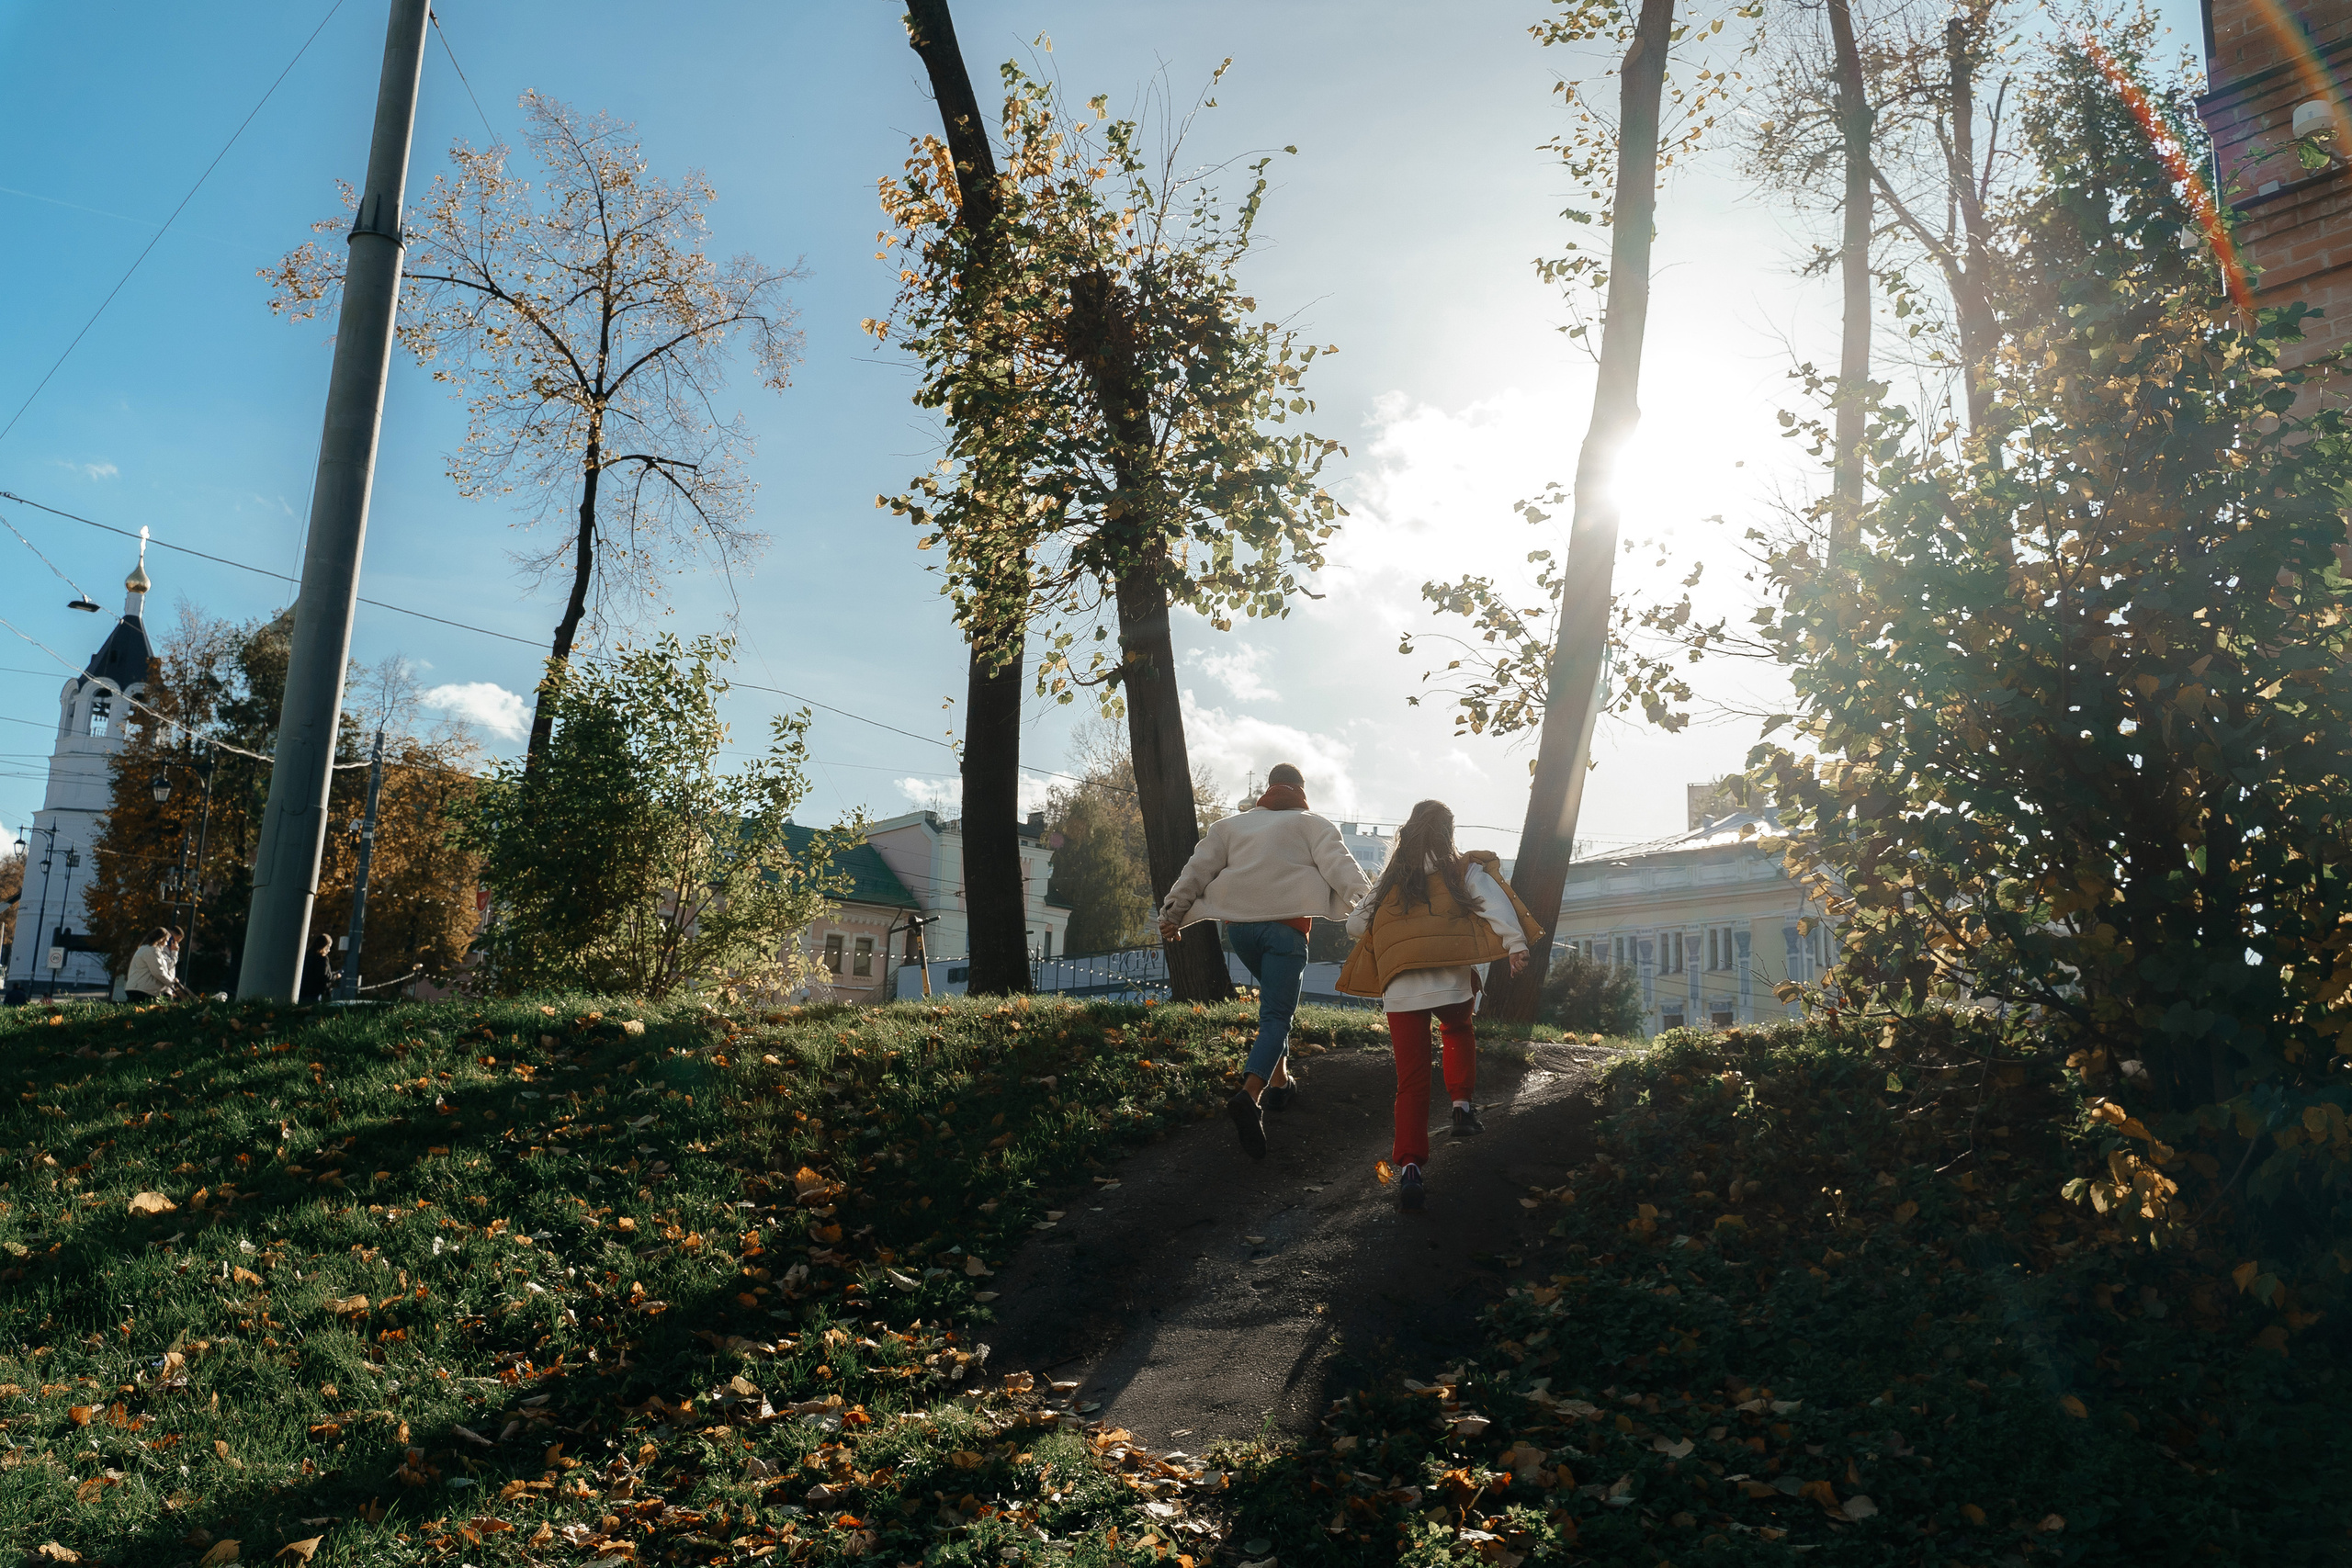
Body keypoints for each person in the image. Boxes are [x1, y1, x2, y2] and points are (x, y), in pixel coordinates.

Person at [1158, 762, 1369, 1160]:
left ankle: (1279, 1084)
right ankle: (1248, 1096)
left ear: (1268, 789)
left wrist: (1172, 913)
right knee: (1277, 1015)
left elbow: (1197, 870)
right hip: (1285, 932)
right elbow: (1342, 868)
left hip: (1240, 932)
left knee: (1274, 1002)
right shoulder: (1312, 823)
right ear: (1301, 790)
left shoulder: (1230, 826)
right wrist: (1369, 908)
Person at [1337, 799, 1537, 1213]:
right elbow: (1493, 905)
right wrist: (1516, 946)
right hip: (1450, 980)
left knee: (1410, 1081)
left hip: (1401, 990)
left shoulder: (1391, 880)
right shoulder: (1463, 869)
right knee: (1457, 1030)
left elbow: (1355, 924)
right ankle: (1462, 1107)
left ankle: (1410, 1167)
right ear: (1448, 833)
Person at [124, 927, 178, 1004]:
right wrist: (172, 984)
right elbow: (158, 972)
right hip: (143, 990)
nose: (166, 944)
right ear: (161, 939)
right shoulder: (152, 951)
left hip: (137, 988)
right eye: (166, 941)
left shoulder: (146, 949)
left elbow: (169, 964)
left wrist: (174, 952)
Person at [301, 931, 340, 1005]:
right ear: (325, 946)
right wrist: (335, 976)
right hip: (315, 992)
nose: (329, 950)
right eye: (329, 947)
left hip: (303, 989)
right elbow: (324, 976)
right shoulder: (322, 958)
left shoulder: (307, 955)